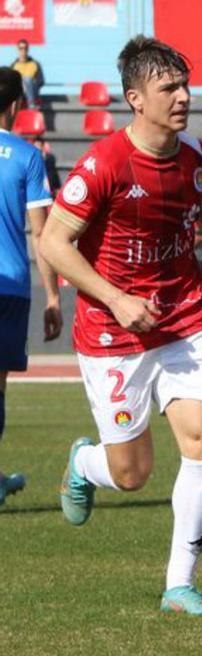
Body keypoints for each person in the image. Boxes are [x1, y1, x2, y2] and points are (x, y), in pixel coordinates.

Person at [39, 36, 202, 616]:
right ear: (136, 99)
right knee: (132, 473)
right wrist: (116, 298)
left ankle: (179, 585)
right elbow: (53, 241)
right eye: (169, 88)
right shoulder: (103, 165)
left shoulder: (197, 154)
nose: (185, 97)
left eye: (186, 85)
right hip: (112, 332)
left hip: (183, 319)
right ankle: (83, 464)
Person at [0, 67, 59, 507]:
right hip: (11, 286)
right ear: (17, 106)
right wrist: (54, 296)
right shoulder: (28, 156)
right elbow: (43, 235)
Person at [11, 40, 43, 107]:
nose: (23, 51)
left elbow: (41, 81)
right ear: (17, 49)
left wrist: (31, 82)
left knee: (27, 79)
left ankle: (31, 104)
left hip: (33, 91)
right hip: (20, 92)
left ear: (28, 49)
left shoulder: (35, 64)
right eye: (21, 48)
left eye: (25, 48)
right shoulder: (14, 65)